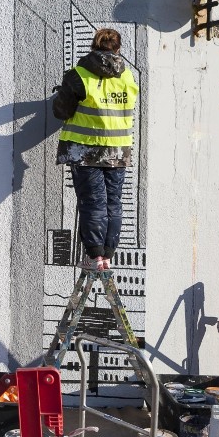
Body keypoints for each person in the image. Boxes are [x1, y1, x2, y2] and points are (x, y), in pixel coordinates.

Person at [52, 28, 138, 272]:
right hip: (118, 151)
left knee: (93, 203)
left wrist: (62, 94)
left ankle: (94, 256)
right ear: (117, 48)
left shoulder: (79, 75)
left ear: (93, 45)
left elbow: (61, 111)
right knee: (113, 203)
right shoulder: (127, 77)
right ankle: (107, 254)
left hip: (86, 151)